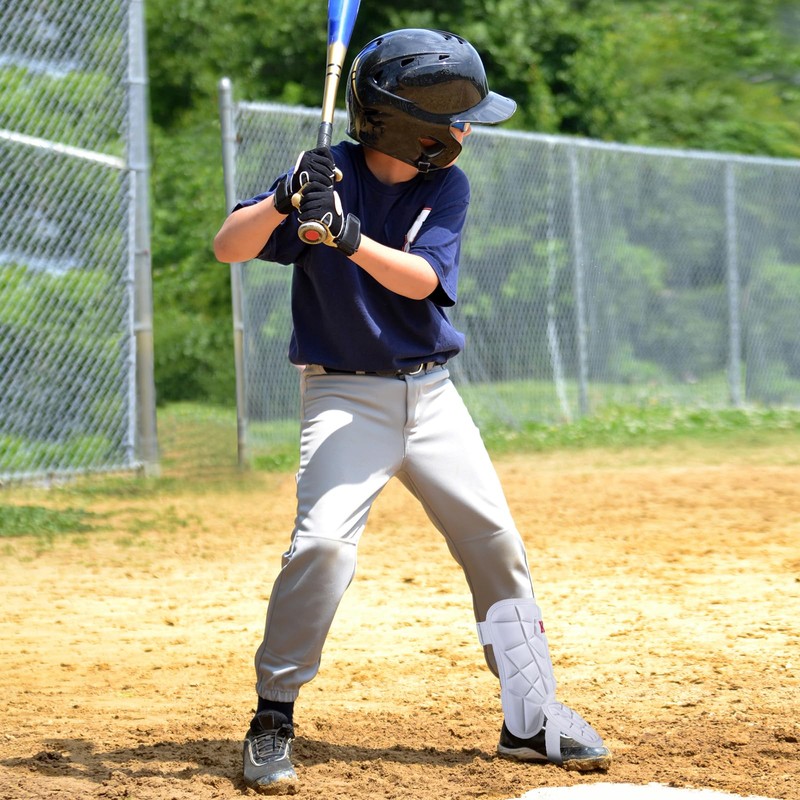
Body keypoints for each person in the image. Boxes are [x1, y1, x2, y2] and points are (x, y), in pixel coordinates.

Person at [214, 28, 611, 795]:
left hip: (431, 399)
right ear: (418, 129)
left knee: (495, 542)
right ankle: (272, 718)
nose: (468, 131)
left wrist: (348, 235)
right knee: (323, 546)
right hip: (344, 396)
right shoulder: (325, 177)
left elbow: (422, 280)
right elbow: (229, 247)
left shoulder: (443, 189)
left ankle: (529, 719)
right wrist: (282, 200)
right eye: (460, 117)